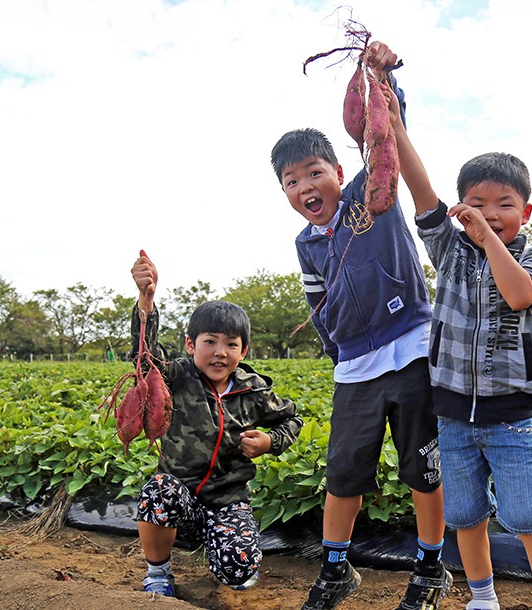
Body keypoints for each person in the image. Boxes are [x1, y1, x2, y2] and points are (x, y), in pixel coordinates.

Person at [270, 41, 450, 610]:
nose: (305, 188)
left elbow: (384, 132)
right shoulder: (305, 243)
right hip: (354, 368)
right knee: (343, 475)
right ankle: (335, 570)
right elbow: (318, 305)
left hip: (412, 349)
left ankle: (429, 569)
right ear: (284, 193)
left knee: (424, 469)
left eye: (314, 173)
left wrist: (381, 76)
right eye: (292, 182)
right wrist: (338, 352)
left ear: (339, 172)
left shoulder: (372, 195)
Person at [384, 83, 532, 610]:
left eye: (504, 205)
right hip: (453, 417)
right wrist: (396, 126)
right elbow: (419, 190)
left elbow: (518, 295)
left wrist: (489, 239)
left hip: (510, 418)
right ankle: (483, 598)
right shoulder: (449, 248)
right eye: (479, 204)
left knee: (529, 516)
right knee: (464, 516)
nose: (491, 214)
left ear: (526, 212)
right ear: (463, 206)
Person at [129, 249, 304, 598]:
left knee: (239, 572)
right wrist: (145, 300)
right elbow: (143, 355)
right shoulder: (178, 376)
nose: (220, 352)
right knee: (158, 490)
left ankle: (221, 546)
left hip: (228, 499)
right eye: (209, 342)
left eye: (231, 344)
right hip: (181, 494)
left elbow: (293, 419)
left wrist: (270, 442)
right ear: (190, 345)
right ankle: (159, 572)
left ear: (244, 351)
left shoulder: (254, 391)